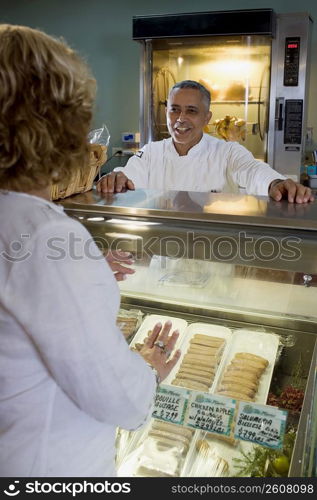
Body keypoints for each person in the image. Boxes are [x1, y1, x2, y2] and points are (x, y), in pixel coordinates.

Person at [0, 24, 181, 477]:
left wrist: (84, 272)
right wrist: (150, 370)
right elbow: (117, 397)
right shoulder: (46, 239)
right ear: (62, 124)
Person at [97, 80, 314, 204]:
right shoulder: (152, 152)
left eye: (191, 111)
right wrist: (117, 177)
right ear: (167, 113)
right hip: (164, 252)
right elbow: (130, 173)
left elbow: (253, 170)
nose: (180, 119)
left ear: (207, 118)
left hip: (214, 253)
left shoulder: (227, 151)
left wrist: (276, 183)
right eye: (174, 110)